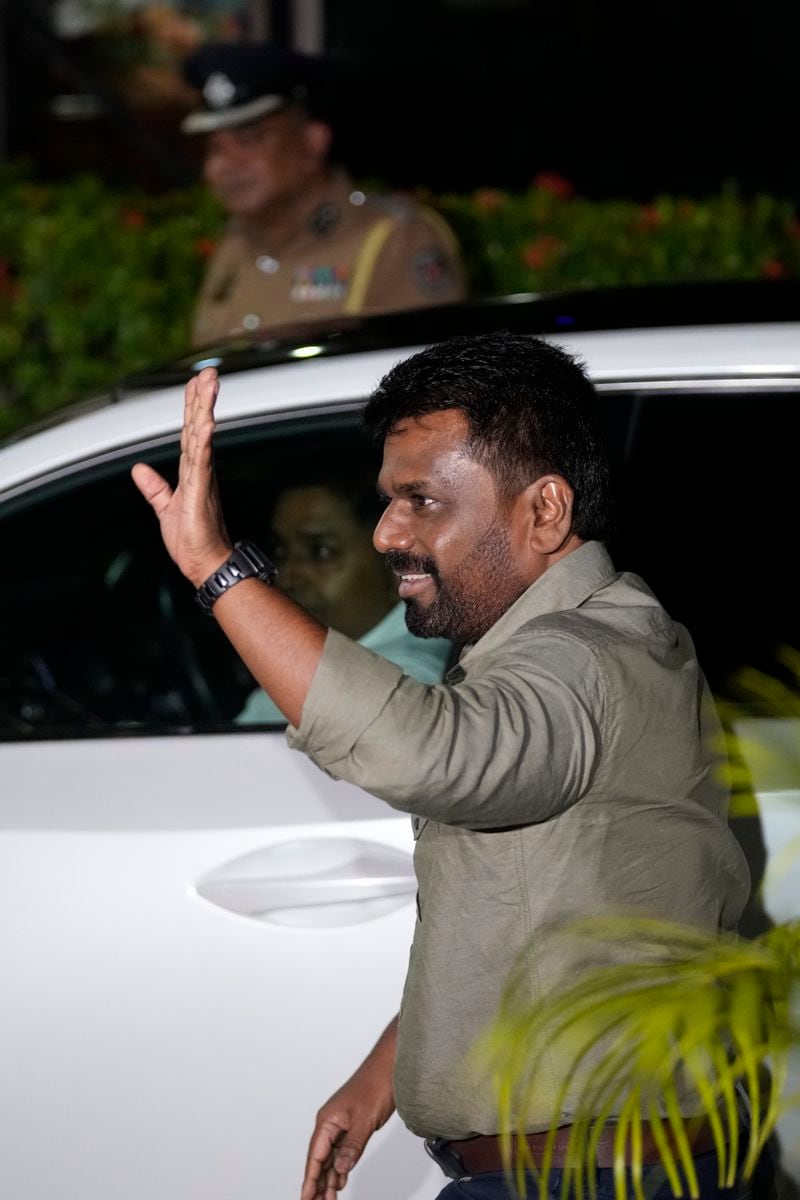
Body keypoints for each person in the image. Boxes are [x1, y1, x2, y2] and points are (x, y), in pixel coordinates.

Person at [132, 333, 751, 1200]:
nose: (388, 532)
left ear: (544, 511)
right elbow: (539, 913)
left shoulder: (595, 655)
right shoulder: (548, 653)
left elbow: (431, 753)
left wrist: (217, 568)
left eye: (422, 500)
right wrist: (391, 1070)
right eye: (388, 500)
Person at [181, 43, 466, 346]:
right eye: (214, 148)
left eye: (250, 139)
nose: (225, 165)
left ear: (312, 141)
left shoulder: (392, 240)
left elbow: (430, 384)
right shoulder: (235, 245)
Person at [237, 470, 451, 723]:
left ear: (396, 567)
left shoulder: (406, 678)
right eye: (280, 551)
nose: (287, 577)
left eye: (321, 552)